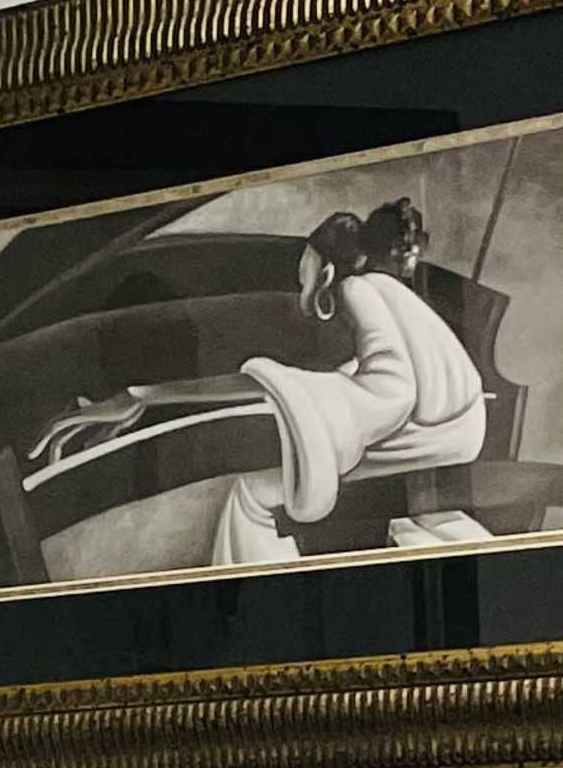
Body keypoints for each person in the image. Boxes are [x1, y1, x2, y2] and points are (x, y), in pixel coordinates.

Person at [208, 200, 491, 565]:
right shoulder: (384, 287)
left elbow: (395, 388)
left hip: (434, 437)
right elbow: (387, 363)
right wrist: (327, 388)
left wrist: (299, 388)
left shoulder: (356, 289)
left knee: (250, 494)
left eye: (304, 269)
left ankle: (260, 598)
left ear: (324, 270)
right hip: (456, 428)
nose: (300, 279)